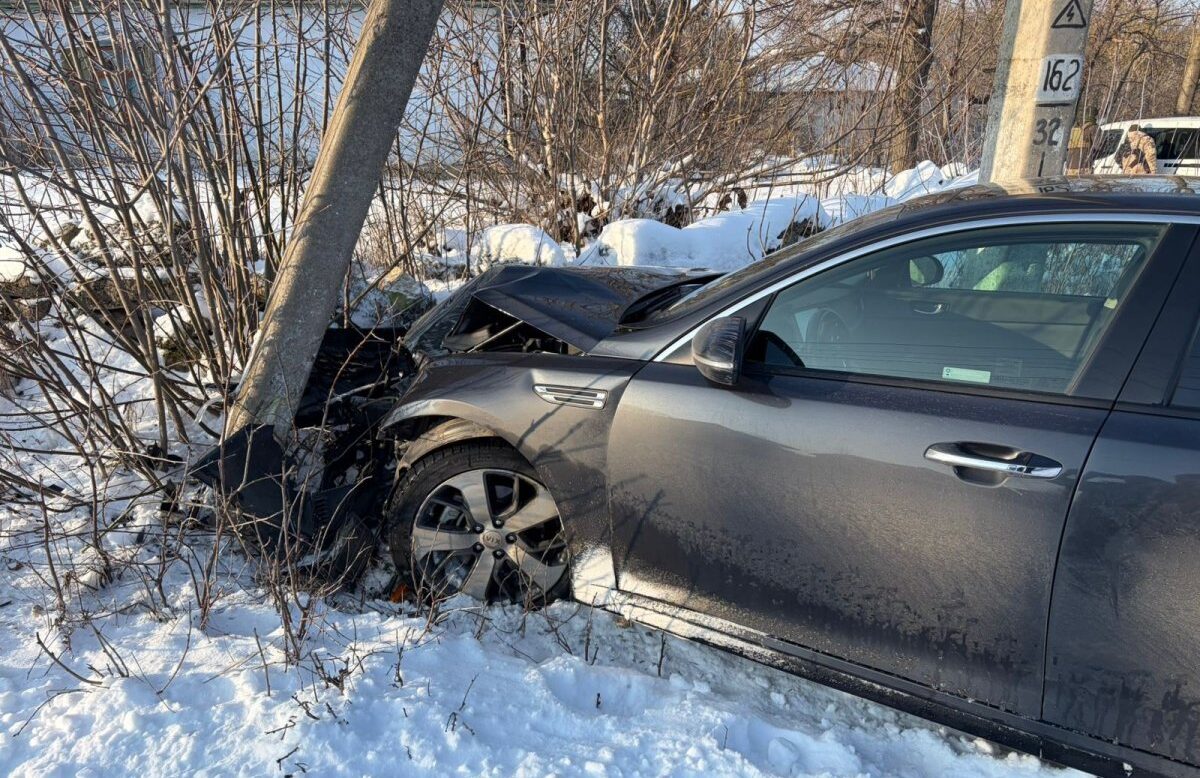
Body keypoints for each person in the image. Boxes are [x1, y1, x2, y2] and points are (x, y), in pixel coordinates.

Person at [1065, 108, 1098, 175]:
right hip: (1084, 168)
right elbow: (1100, 146)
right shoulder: (1093, 128)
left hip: (1070, 168)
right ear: (1094, 115)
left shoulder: (1071, 129)